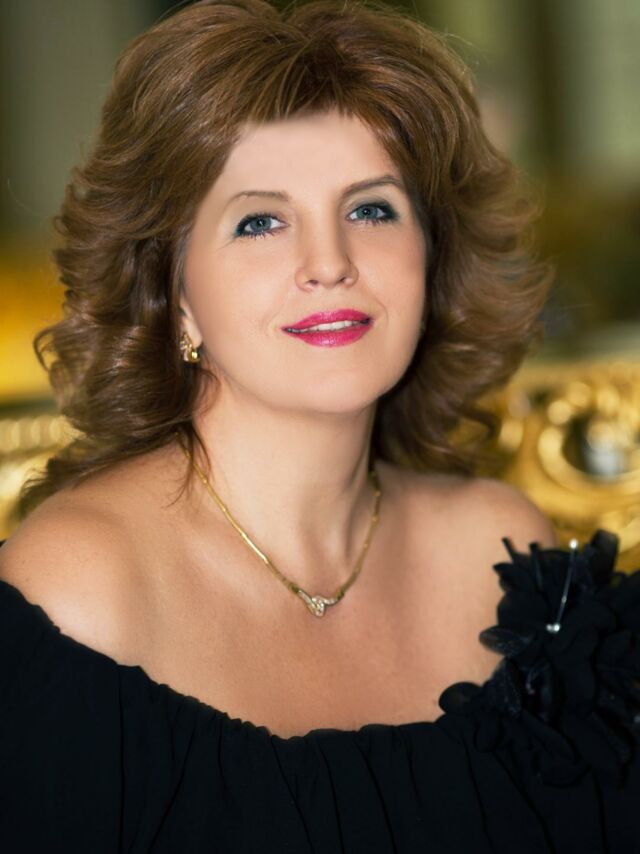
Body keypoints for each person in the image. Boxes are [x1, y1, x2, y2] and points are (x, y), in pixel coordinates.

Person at [1, 0, 638, 850]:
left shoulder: (506, 561)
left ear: (432, 256)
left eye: (371, 210)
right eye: (260, 221)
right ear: (174, 293)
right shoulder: (81, 590)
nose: (330, 263)